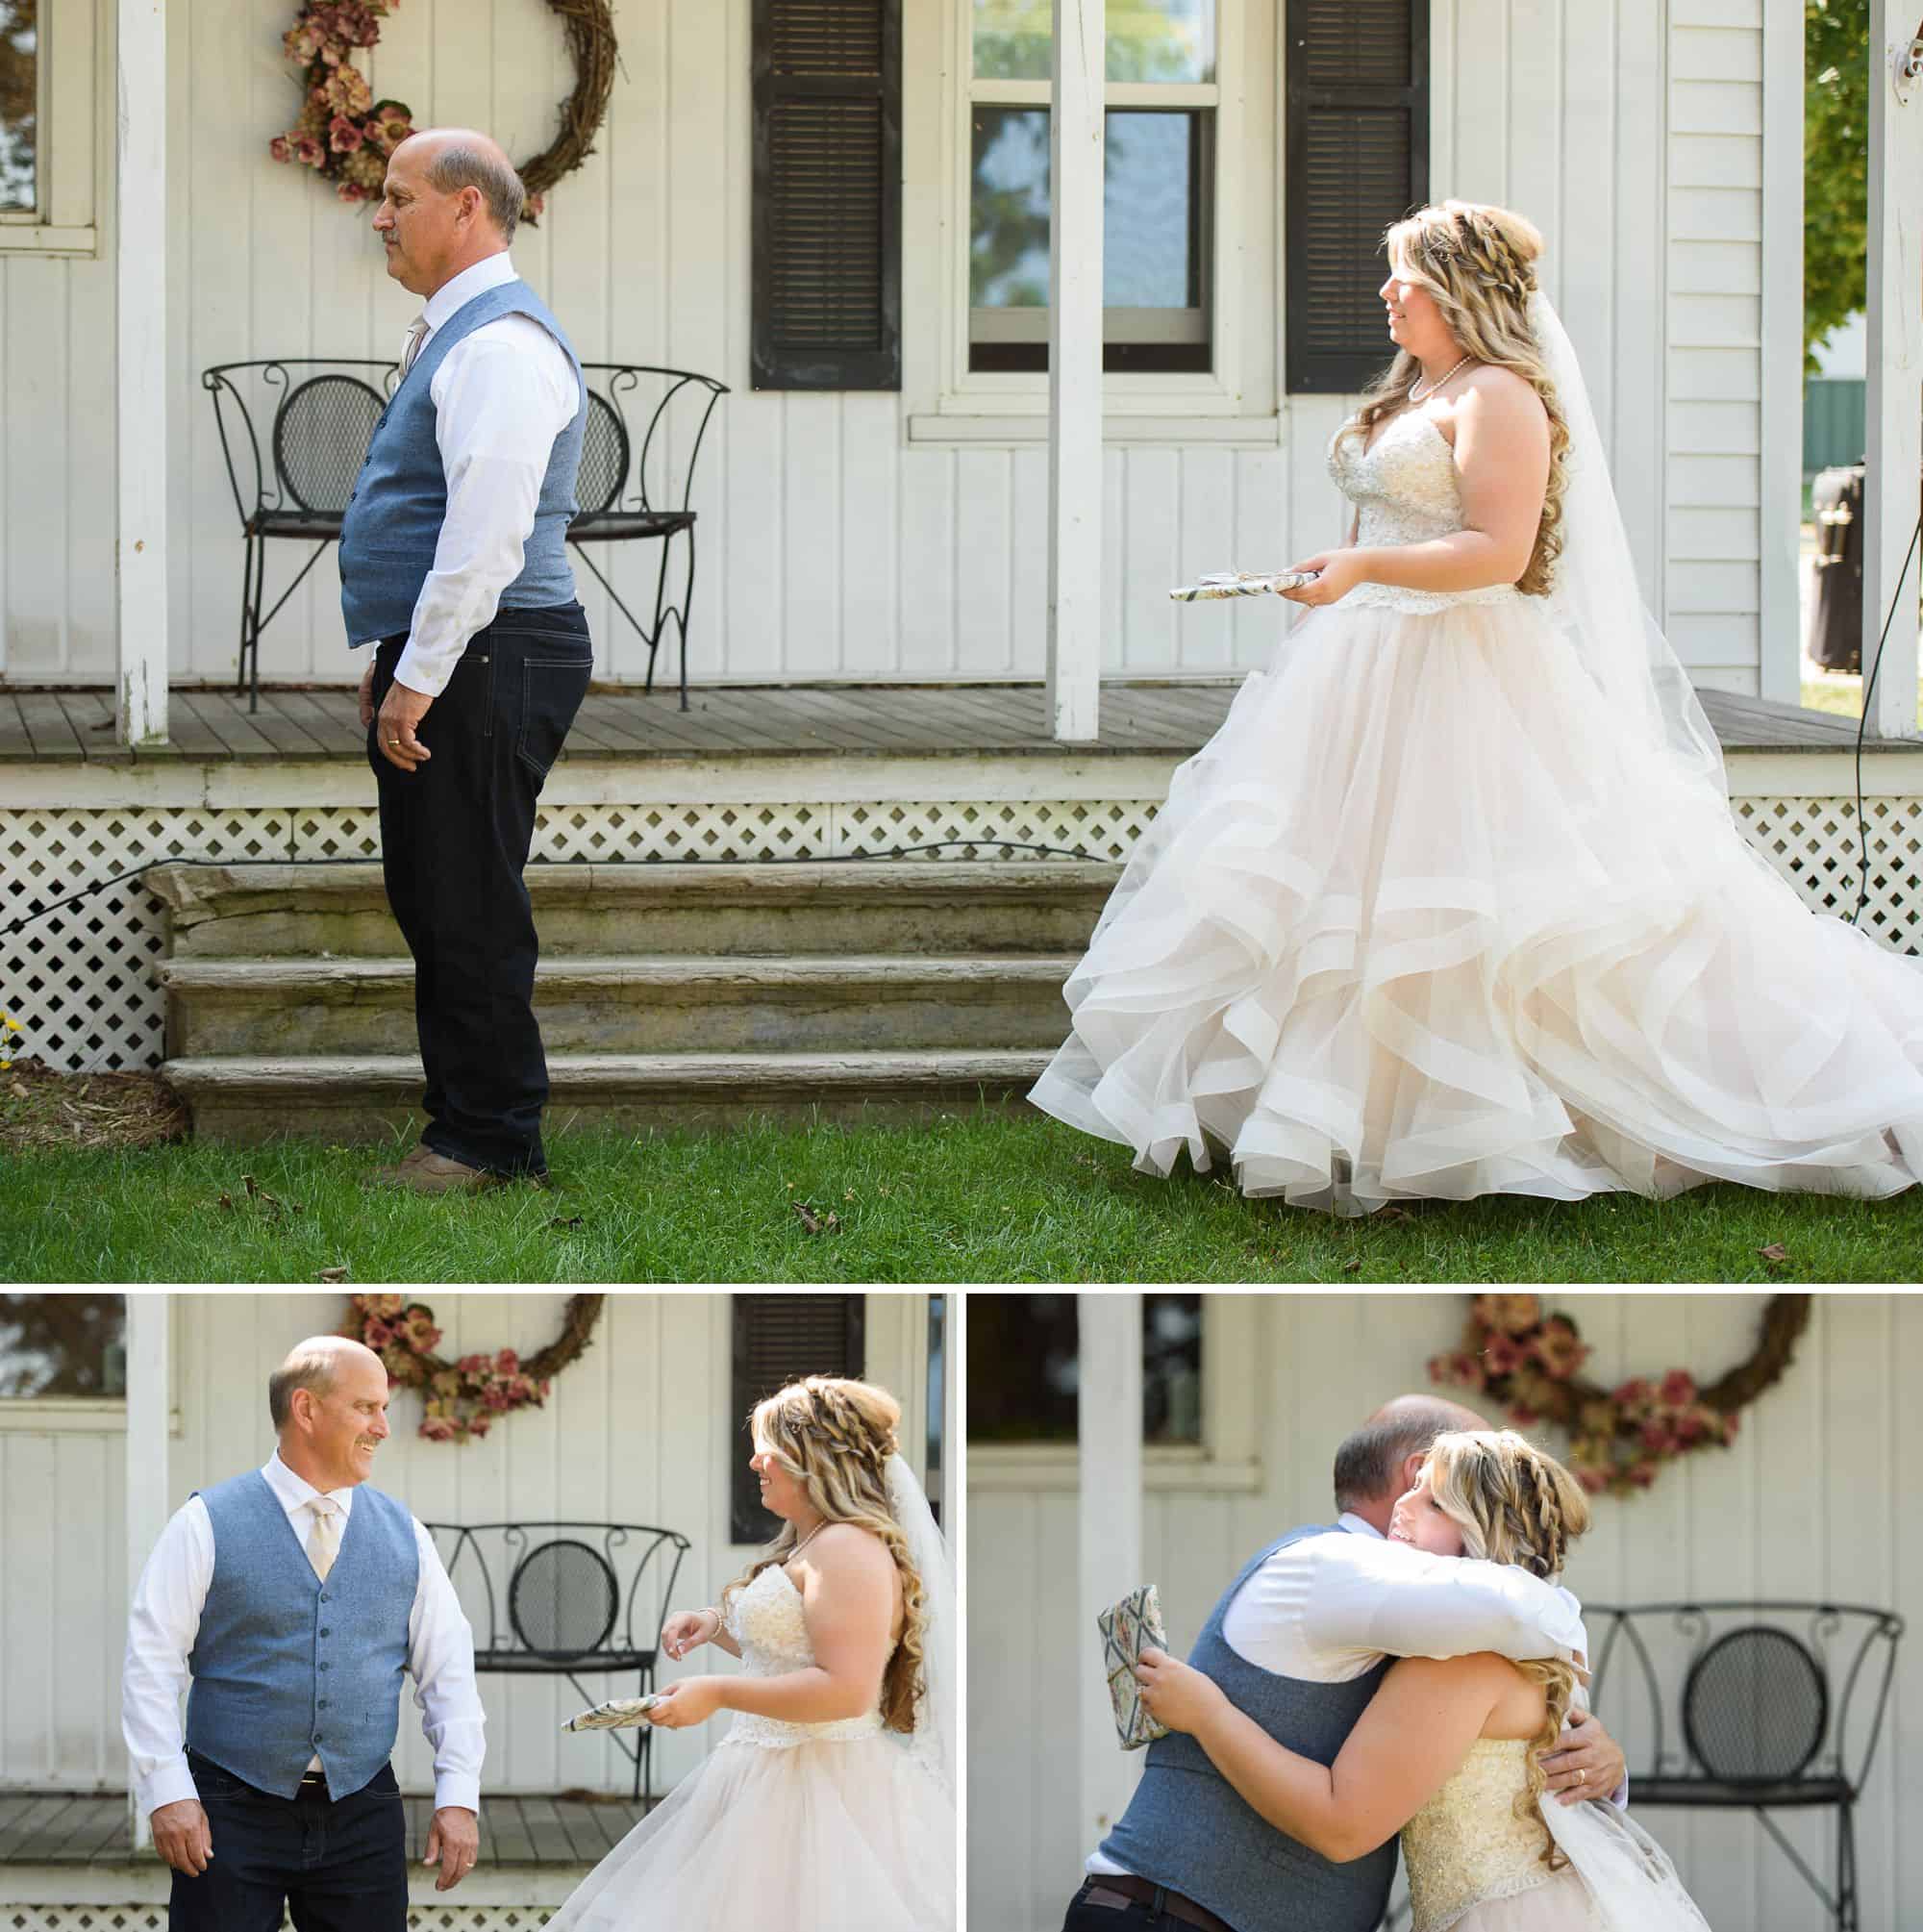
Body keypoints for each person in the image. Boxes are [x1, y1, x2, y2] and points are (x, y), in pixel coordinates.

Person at [1030, 197, 1923, 1214]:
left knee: (1450, 900)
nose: (1383, 293)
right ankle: (1352, 1119)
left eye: (1400, 275)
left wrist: (1362, 563)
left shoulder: (1499, 395)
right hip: (1355, 666)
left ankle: (1494, 1123)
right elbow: (1389, 510)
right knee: (1335, 899)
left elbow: (1495, 553)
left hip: (1459, 671)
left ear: (1453, 287)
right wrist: (1331, 587)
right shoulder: (1421, 384)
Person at [1059, 1395, 1626, 1932]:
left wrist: (1600, 1760)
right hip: (1172, 1916)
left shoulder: (1453, 1634)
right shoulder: (1335, 1567)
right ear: (1420, 1470)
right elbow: (1513, 1610)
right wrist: (1567, 1635)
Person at [343, 127, 594, 1194]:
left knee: (466, 897)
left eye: (399, 196)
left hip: (494, 653)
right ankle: (466, 1122)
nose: (380, 215)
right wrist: (401, 654)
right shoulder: (461, 333)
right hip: (469, 653)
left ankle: (487, 1141)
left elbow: (485, 537)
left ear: (466, 210)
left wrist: (421, 673)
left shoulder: (498, 348)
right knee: (437, 889)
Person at [543, 1376, 957, 1930]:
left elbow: (844, 1688)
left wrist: (715, 1692)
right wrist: (715, 1625)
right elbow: (796, 1649)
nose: (755, 1463)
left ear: (812, 1460)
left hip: (822, 1797)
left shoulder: (849, 1550)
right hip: (766, 1780)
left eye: (766, 1450)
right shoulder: (813, 1542)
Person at [121, 1337, 487, 1931]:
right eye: (367, 1408)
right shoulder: (205, 1523)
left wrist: (458, 1796)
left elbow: (449, 1674)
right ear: (307, 1410)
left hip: (362, 1809)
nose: (383, 1427)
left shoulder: (406, 1534)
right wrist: (167, 1792)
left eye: (384, 1409)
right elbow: (150, 1664)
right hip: (228, 1808)